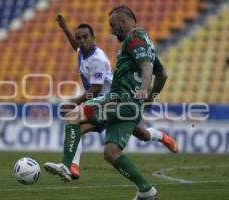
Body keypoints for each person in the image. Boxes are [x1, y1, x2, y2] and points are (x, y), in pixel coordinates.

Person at [56, 15, 178, 179]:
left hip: (111, 102)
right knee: (142, 134)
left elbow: (96, 87)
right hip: (107, 102)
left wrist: (75, 102)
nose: (81, 41)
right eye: (79, 38)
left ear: (94, 38)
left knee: (75, 124)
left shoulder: (98, 59)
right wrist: (65, 29)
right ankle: (163, 137)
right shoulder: (82, 52)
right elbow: (75, 46)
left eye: (85, 37)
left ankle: (73, 167)